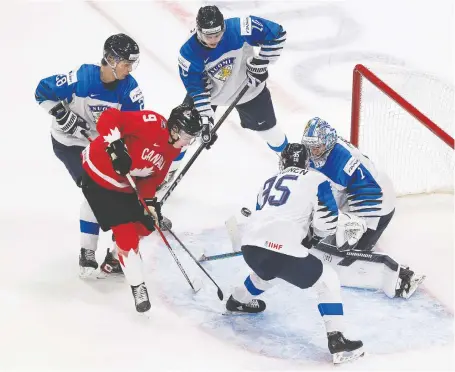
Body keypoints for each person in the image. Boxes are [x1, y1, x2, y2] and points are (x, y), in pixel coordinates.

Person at [226, 143, 364, 365]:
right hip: (281, 248)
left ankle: (236, 300)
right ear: (306, 163)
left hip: (250, 247)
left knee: (268, 272)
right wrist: (312, 235)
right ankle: (337, 340)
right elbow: (327, 224)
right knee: (327, 280)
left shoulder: (268, 182)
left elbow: (263, 215)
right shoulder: (316, 179)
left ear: (283, 162)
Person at [35, 33, 144, 278]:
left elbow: (134, 130)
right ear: (111, 59)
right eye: (127, 63)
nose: (130, 69)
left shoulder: (130, 90)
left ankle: (118, 250)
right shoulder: (81, 77)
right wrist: (59, 112)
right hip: (70, 145)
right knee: (92, 188)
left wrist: (120, 147)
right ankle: (87, 251)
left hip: (101, 148)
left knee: (122, 191)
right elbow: (41, 91)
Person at [80, 104, 203, 314]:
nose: (187, 142)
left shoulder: (173, 149)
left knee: (146, 224)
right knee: (126, 234)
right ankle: (138, 287)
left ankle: (115, 259)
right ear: (174, 128)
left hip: (126, 185)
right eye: (185, 135)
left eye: (191, 138)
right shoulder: (151, 123)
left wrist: (150, 203)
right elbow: (109, 117)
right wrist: (116, 146)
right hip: (99, 176)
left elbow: (152, 178)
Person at [160, 5, 289, 190]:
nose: (213, 40)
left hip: (248, 89)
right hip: (210, 94)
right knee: (184, 132)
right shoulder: (188, 52)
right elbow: (197, 90)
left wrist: (262, 62)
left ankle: (293, 165)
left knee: (271, 134)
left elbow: (277, 34)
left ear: (223, 28)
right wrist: (205, 122)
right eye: (208, 36)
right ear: (198, 31)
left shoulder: (240, 27)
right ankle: (167, 172)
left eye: (217, 35)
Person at [300, 117, 425, 298]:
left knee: (347, 254)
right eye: (309, 146)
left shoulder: (345, 160)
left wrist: (354, 226)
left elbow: (369, 192)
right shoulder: (313, 151)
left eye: (316, 147)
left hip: (379, 202)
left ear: (327, 142)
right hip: (348, 196)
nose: (312, 151)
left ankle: (402, 277)